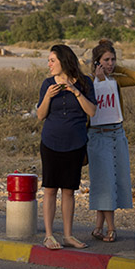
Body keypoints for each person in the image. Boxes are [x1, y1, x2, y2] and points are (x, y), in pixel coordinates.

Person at [36, 44, 96, 250]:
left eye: (52, 60)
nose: (49, 64)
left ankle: (69, 235)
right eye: (49, 60)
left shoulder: (85, 82)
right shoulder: (47, 84)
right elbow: (40, 115)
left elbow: (92, 112)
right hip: (51, 142)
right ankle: (49, 235)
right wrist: (48, 97)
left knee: (69, 191)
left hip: (76, 143)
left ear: (64, 61)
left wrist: (76, 92)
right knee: (50, 189)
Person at [88, 39, 135, 243]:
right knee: (104, 183)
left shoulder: (116, 81)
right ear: (97, 62)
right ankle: (111, 228)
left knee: (114, 181)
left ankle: (98, 227)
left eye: (113, 59)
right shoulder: (89, 82)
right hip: (98, 135)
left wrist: (115, 69)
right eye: (106, 60)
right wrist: (97, 73)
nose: (111, 63)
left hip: (117, 134)